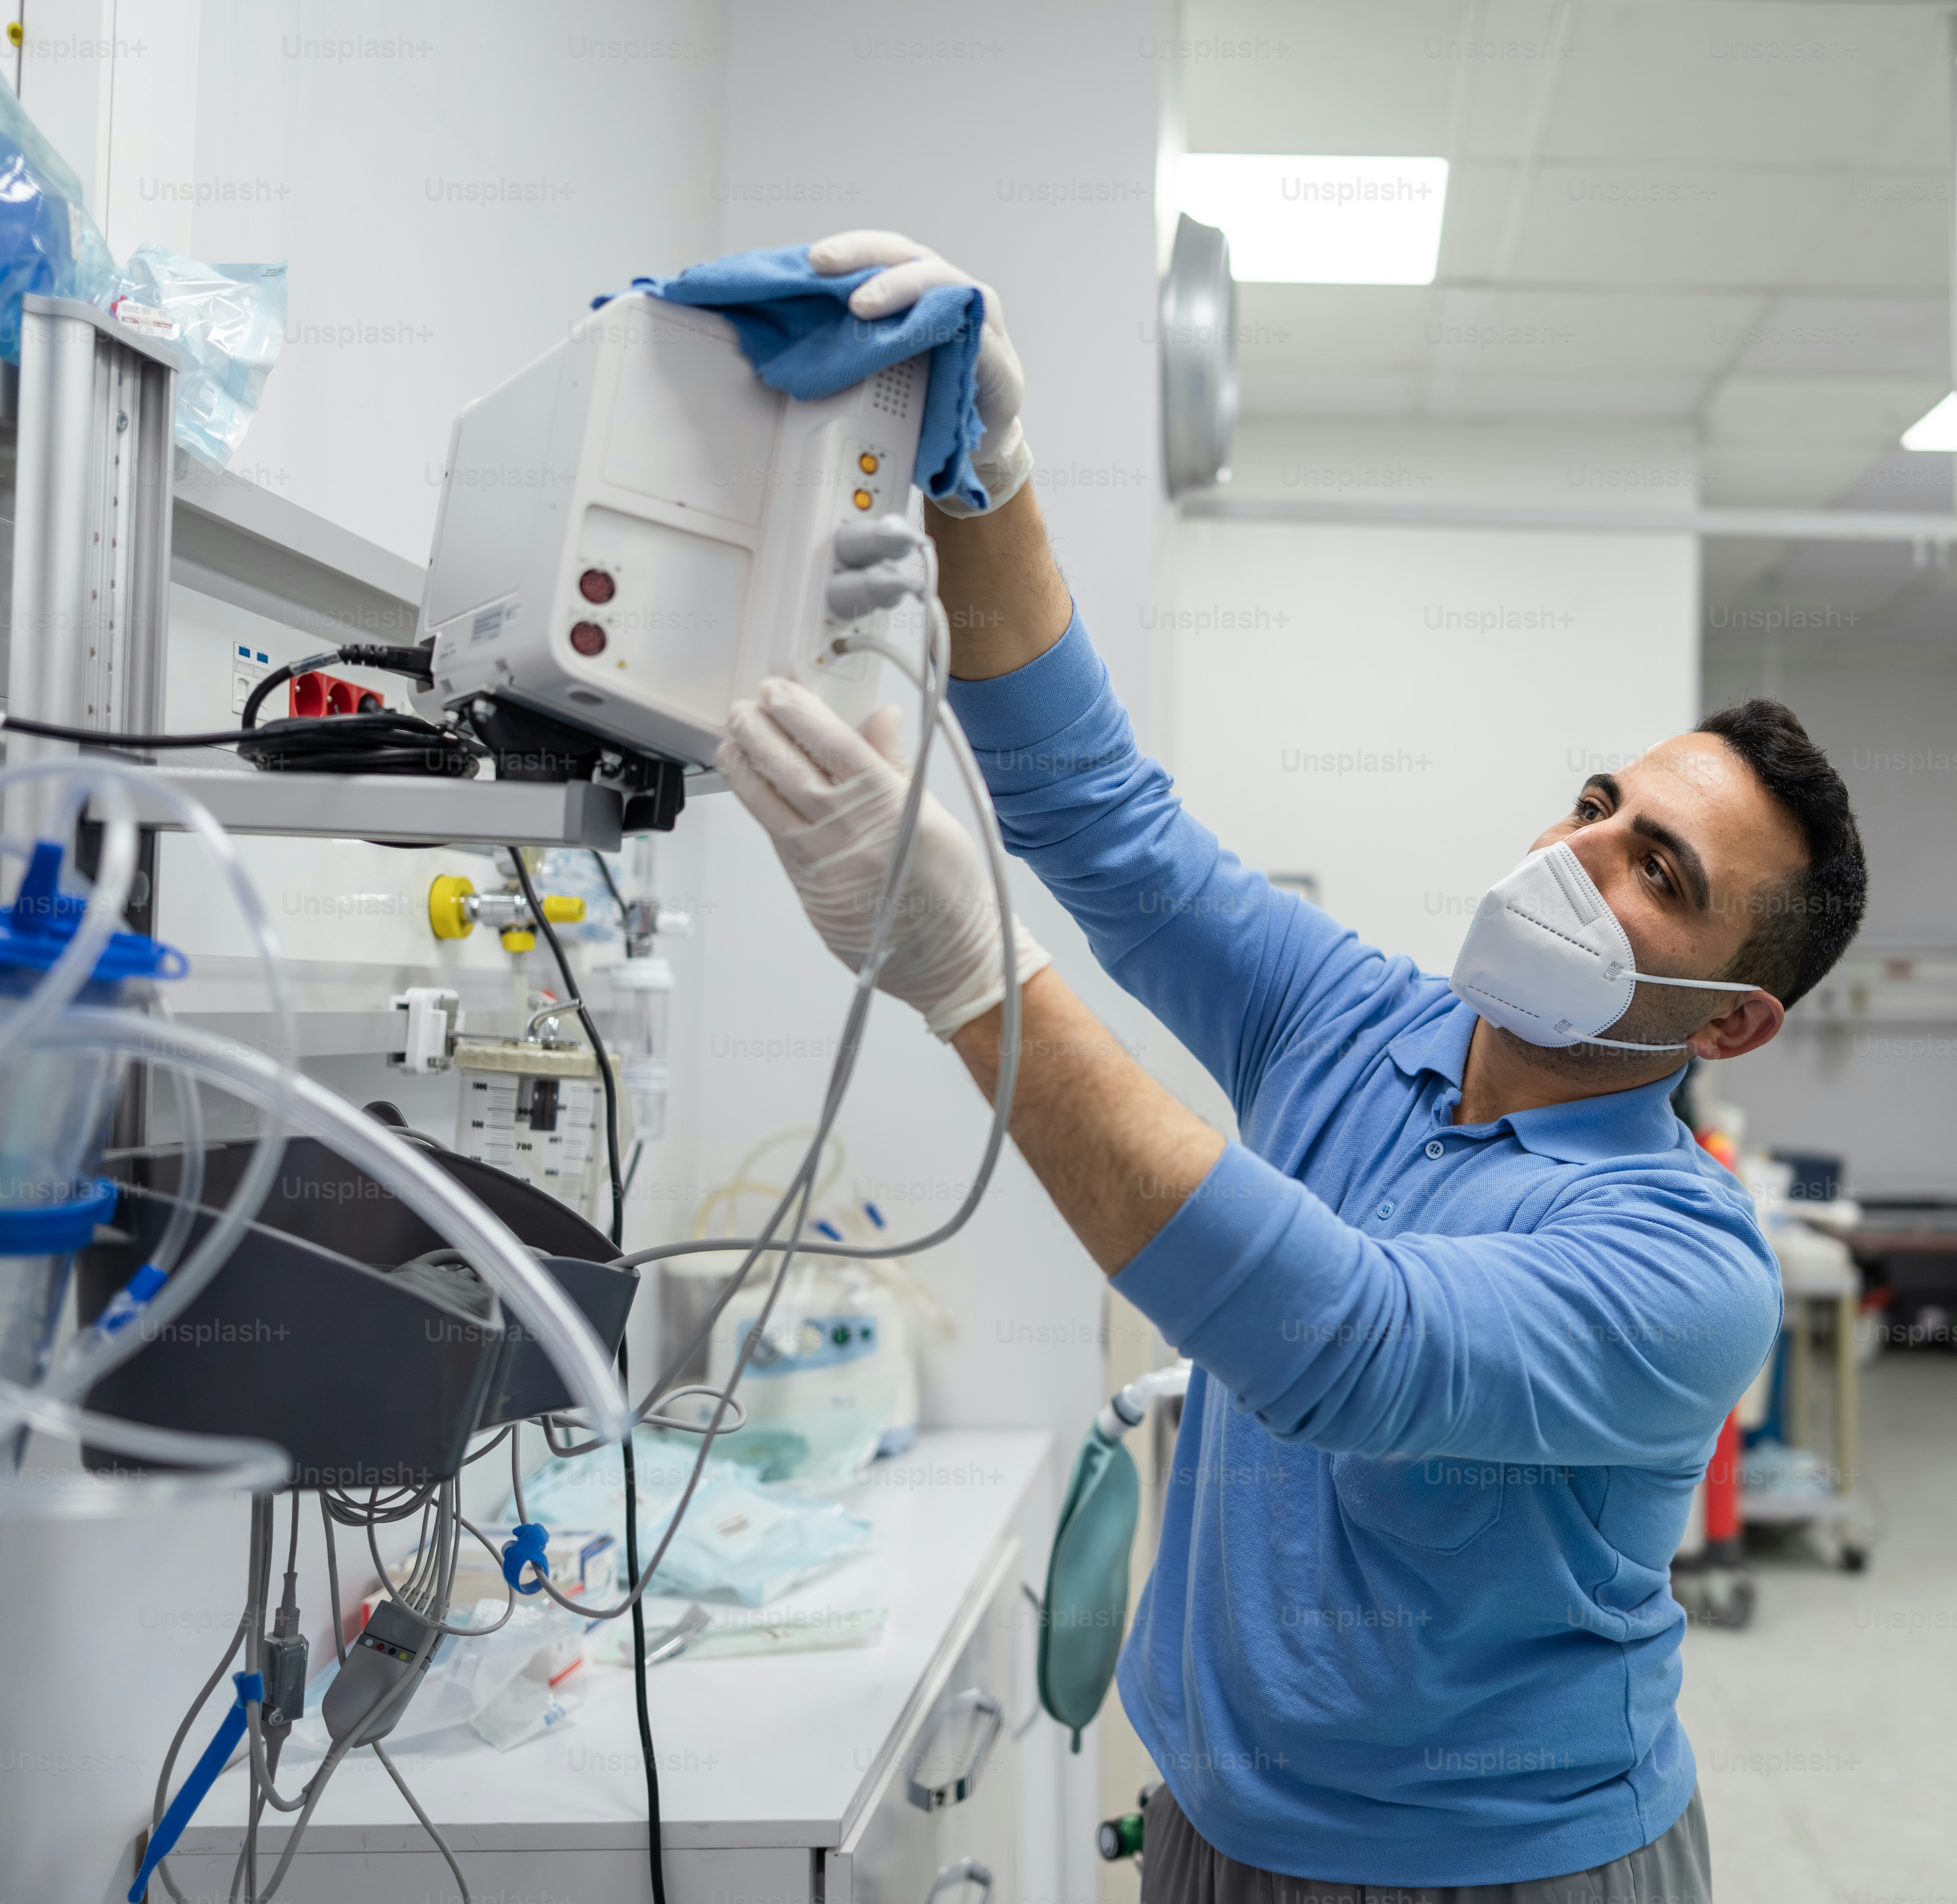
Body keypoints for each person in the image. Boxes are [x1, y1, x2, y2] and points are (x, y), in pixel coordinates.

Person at [716, 231, 1871, 1904]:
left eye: (1660, 872)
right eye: (1603, 801)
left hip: (1506, 1869)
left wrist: (976, 980)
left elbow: (1347, 1341)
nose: (1583, 850)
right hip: (1212, 1829)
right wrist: (984, 470)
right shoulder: (1362, 1021)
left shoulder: (1687, 1264)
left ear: (1731, 1022)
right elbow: (1109, 824)